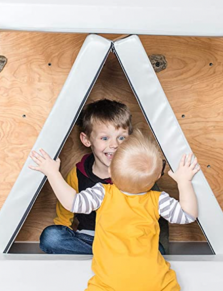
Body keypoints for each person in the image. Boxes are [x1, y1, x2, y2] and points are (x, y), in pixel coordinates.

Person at [29, 133, 201, 291]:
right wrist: (185, 182)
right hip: (154, 285)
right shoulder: (157, 199)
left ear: (113, 171)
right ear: (156, 177)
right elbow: (188, 215)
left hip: (111, 285)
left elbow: (72, 201)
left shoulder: (103, 193)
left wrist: (52, 172)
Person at [38, 99, 169, 255]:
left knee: (157, 250)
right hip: (90, 238)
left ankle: (108, 255)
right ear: (86, 140)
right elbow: (66, 210)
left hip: (128, 241)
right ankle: (109, 255)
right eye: (105, 138)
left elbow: (156, 214)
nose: (114, 145)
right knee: (52, 237)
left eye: (121, 138)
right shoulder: (78, 173)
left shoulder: (137, 172)